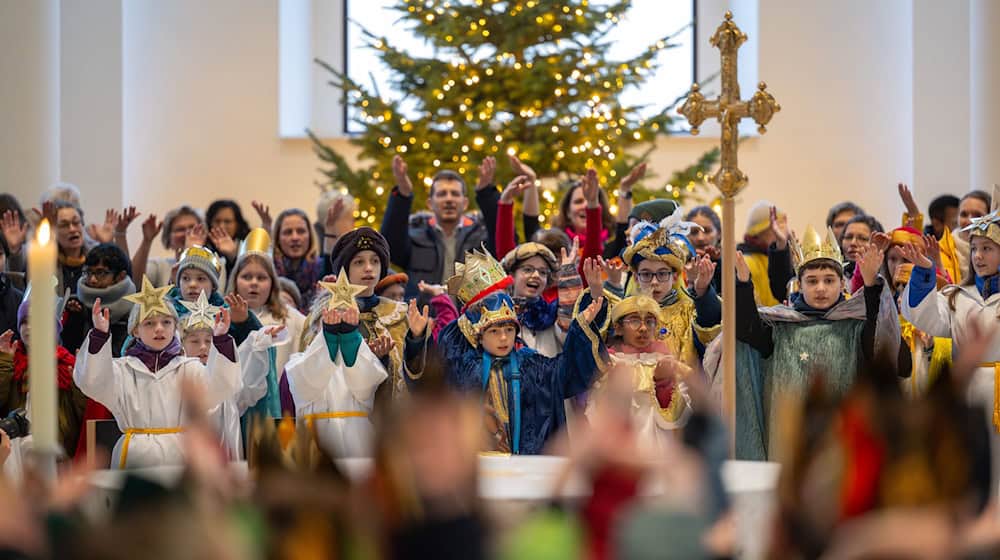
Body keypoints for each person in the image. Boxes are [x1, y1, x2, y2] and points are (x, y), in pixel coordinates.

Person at [713, 227, 899, 460]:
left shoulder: (854, 327)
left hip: (839, 436)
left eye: (829, 280)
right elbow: (747, 332)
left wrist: (871, 286)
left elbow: (880, 341)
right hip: (789, 436)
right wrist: (743, 282)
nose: (820, 288)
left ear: (842, 283)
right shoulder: (781, 327)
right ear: (799, 284)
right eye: (812, 281)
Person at [73, 276, 241, 469]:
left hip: (181, 456)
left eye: (166, 322)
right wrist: (99, 336)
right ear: (136, 330)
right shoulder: (122, 370)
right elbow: (92, 382)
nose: (159, 329)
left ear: (175, 327)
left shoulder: (190, 368)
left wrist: (221, 342)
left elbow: (220, 389)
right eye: (149, 323)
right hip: (135, 458)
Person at [419, 287, 606, 454]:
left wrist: (580, 328)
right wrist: (417, 340)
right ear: (479, 336)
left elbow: (568, 373)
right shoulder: (464, 368)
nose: (503, 338)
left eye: (509, 330)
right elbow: (430, 383)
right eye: (494, 331)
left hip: (525, 468)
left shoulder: (531, 365)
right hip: (476, 466)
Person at [900, 185, 1000, 492]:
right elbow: (923, 315)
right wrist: (924, 272)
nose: (979, 256)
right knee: (972, 471)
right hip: (968, 393)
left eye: (988, 248)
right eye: (974, 248)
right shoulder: (959, 297)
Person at [380, 155, 499, 300]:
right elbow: (390, 247)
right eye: (442, 194)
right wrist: (403, 195)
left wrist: (486, 193)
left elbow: (502, 243)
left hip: (471, 320)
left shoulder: (480, 238)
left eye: (455, 194)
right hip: (423, 319)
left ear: (465, 203)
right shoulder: (415, 236)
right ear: (430, 203)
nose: (449, 199)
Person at [284, 293, 388, 458]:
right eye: (329, 319)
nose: (338, 324)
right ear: (316, 326)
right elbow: (307, 384)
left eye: (345, 319)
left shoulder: (364, 360)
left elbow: (365, 389)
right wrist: (328, 338)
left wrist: (350, 340)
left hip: (356, 442)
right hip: (315, 442)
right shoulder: (298, 363)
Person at [590, 295, 693, 454]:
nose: (644, 328)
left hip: (658, 447)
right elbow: (596, 413)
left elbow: (676, 419)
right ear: (618, 328)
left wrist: (663, 383)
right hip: (619, 449)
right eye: (635, 321)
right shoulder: (609, 363)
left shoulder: (667, 362)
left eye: (650, 322)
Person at [620, 209, 722, 365]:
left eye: (662, 274)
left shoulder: (689, 311)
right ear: (635, 277)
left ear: (674, 276)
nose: (654, 282)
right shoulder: (627, 315)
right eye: (646, 275)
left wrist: (702, 289)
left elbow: (710, 330)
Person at [0, 298, 85, 458]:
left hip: (56, 451)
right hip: (16, 450)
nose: (30, 327)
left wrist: (81, 380)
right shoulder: (11, 361)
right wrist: (4, 363)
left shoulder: (66, 364)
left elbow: (83, 411)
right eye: (24, 322)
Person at [228, 228, 305, 379]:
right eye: (247, 277)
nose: (254, 283)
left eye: (261, 277)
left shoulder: (290, 318)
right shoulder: (222, 316)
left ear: (272, 284)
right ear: (235, 280)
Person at [60, 243, 137, 356]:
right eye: (88, 272)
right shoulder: (75, 305)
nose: (92, 279)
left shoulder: (135, 309)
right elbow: (68, 349)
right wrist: (74, 319)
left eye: (100, 273)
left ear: (121, 276)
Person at [130, 205, 210, 288]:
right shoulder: (159, 265)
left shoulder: (218, 264)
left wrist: (192, 251)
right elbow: (134, 284)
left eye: (193, 227)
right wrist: (147, 241)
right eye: (180, 229)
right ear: (168, 238)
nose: (187, 233)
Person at [739, 200, 789, 306]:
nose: (781, 232)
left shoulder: (780, 256)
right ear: (759, 232)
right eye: (775, 227)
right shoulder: (748, 262)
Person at [204, 199, 252, 274]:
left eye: (227, 221)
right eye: (217, 221)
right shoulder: (204, 246)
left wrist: (233, 256)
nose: (221, 226)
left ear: (237, 224)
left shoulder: (248, 246)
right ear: (210, 223)